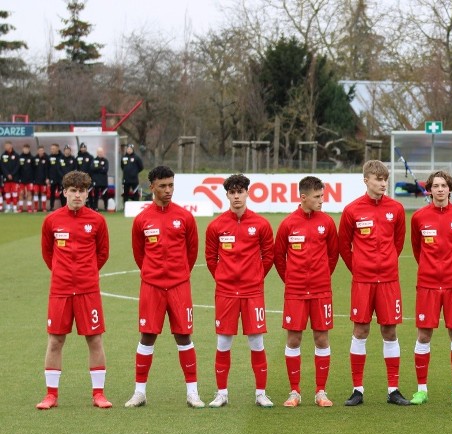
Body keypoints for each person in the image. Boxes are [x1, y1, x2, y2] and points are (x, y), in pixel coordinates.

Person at [125, 165, 203, 408]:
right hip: (152, 286)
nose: (168, 190)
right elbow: (139, 254)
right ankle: (140, 392)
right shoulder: (142, 219)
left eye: (171, 185)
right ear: (152, 188)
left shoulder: (185, 217)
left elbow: (192, 252)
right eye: (163, 186)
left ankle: (193, 392)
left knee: (183, 335)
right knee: (147, 336)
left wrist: (178, 274)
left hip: (179, 285)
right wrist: (153, 273)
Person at [37, 170, 111, 410]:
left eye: (82, 191)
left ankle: (98, 394)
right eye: (73, 191)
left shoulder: (97, 221)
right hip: (60, 290)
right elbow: (48, 254)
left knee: (95, 339)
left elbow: (102, 254)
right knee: (56, 340)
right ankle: (51, 395)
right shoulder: (51, 221)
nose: (77, 195)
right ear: (64, 192)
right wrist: (63, 272)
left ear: (87, 193)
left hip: (88, 290)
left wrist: (85, 273)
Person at [338, 160, 409, 406]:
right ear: (366, 180)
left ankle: (393, 390)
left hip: (389, 281)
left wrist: (386, 263)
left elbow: (398, 243)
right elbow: (344, 247)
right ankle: (357, 390)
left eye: (385, 179)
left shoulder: (396, 209)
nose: (383, 184)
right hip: (363, 281)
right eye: (378, 179)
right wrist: (359, 267)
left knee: (390, 331)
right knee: (361, 331)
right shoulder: (352, 210)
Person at [205, 174, 275, 408]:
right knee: (223, 342)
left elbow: (268, 257)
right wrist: (225, 279)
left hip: (252, 292)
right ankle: (222, 393)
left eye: (240, 192)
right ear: (227, 195)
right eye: (232, 192)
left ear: (247, 193)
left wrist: (253, 278)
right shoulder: (216, 226)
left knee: (256, 341)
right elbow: (210, 258)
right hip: (226, 293)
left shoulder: (261, 224)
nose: (236, 196)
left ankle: (261, 393)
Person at [409, 170, 452, 405]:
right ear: (429, 189)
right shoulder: (419, 218)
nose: (439, 190)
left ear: (449, 189)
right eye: (435, 186)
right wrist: (430, 269)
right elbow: (417, 249)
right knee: (424, 335)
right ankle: (421, 390)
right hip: (427, 284)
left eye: (443, 185)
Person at [274, 176, 340, 407]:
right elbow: (278, 258)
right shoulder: (288, 224)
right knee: (294, 338)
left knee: (322, 338)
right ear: (303, 197)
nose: (322, 200)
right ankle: (295, 392)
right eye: (317, 197)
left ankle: (321, 392)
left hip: (321, 291)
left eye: (322, 196)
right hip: (295, 291)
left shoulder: (328, 223)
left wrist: (321, 277)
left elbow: (333, 255)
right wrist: (293, 279)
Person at [1, 141, 19, 213]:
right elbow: (2, 166)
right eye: (5, 146)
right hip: (6, 177)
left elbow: (18, 166)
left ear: (11, 146)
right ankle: (8, 207)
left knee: (14, 193)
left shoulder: (16, 155)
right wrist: (7, 174)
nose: (6, 147)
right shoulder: (3, 155)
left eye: (7, 145)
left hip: (14, 178)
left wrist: (12, 174)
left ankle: (14, 207)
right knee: (7, 193)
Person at [17, 143, 35, 213]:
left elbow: (34, 169)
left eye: (27, 149)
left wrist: (33, 178)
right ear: (22, 149)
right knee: (21, 193)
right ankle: (20, 208)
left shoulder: (32, 158)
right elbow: (17, 168)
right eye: (24, 149)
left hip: (30, 179)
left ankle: (29, 208)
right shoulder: (20, 157)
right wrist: (18, 178)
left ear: (29, 149)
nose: (26, 150)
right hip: (21, 179)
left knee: (29, 193)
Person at [33, 145, 49, 212]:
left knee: (43, 193)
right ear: (37, 151)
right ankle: (36, 208)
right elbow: (32, 169)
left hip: (43, 180)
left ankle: (44, 208)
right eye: (39, 150)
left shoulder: (46, 158)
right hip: (36, 179)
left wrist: (47, 178)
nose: (41, 152)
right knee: (36, 193)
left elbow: (48, 169)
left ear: (43, 151)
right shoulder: (34, 158)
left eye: (42, 150)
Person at [47, 143, 64, 210]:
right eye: (51, 149)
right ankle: (51, 207)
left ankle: (63, 207)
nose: (52, 150)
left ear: (58, 149)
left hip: (61, 178)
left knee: (62, 193)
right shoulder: (49, 157)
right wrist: (47, 177)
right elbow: (47, 168)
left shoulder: (62, 157)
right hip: (52, 178)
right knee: (52, 193)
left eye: (53, 149)